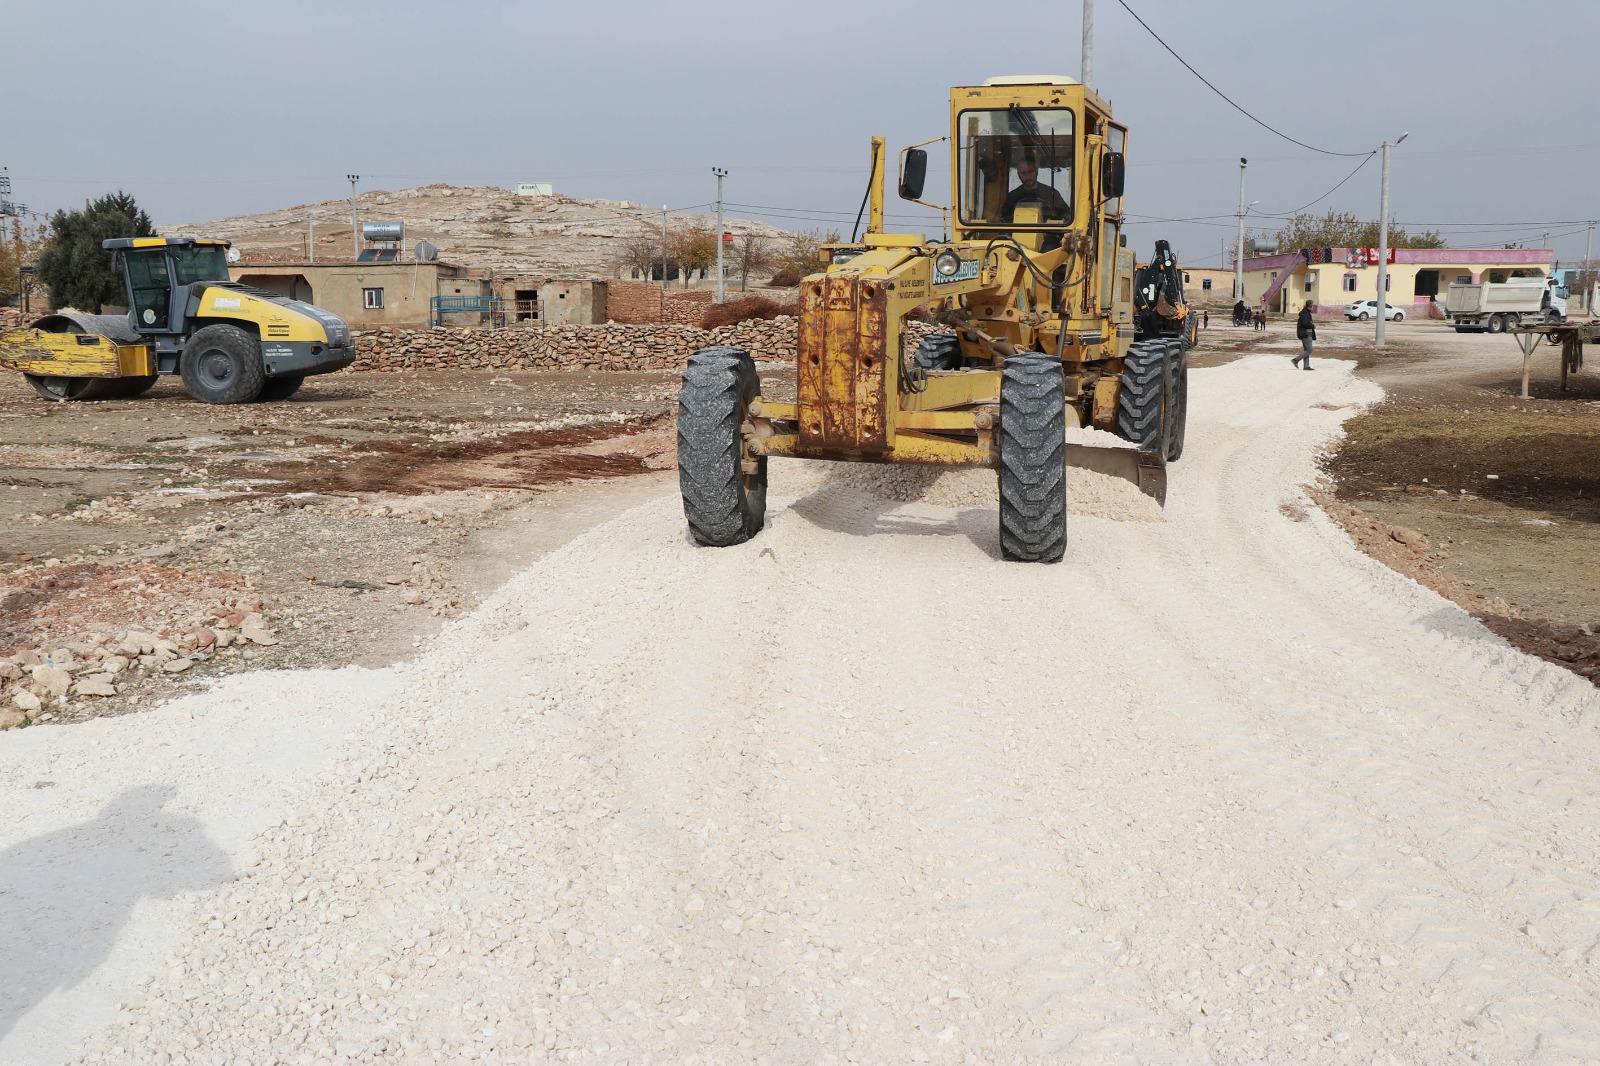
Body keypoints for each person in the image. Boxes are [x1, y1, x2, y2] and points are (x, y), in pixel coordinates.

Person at [1000, 154, 1069, 224]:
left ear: (1036, 171)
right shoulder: (1013, 196)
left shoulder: (1051, 194)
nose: (1028, 176)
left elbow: (1067, 216)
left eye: (1030, 171)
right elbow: (1004, 220)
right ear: (1018, 175)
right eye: (1024, 173)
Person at [1293, 302, 1316, 369]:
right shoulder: (1305, 314)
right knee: (1309, 350)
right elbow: (1305, 324)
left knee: (1307, 350)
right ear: (1310, 306)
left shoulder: (1306, 313)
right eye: (1312, 305)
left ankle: (1306, 366)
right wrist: (1312, 325)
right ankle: (1296, 360)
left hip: (1306, 333)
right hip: (1305, 333)